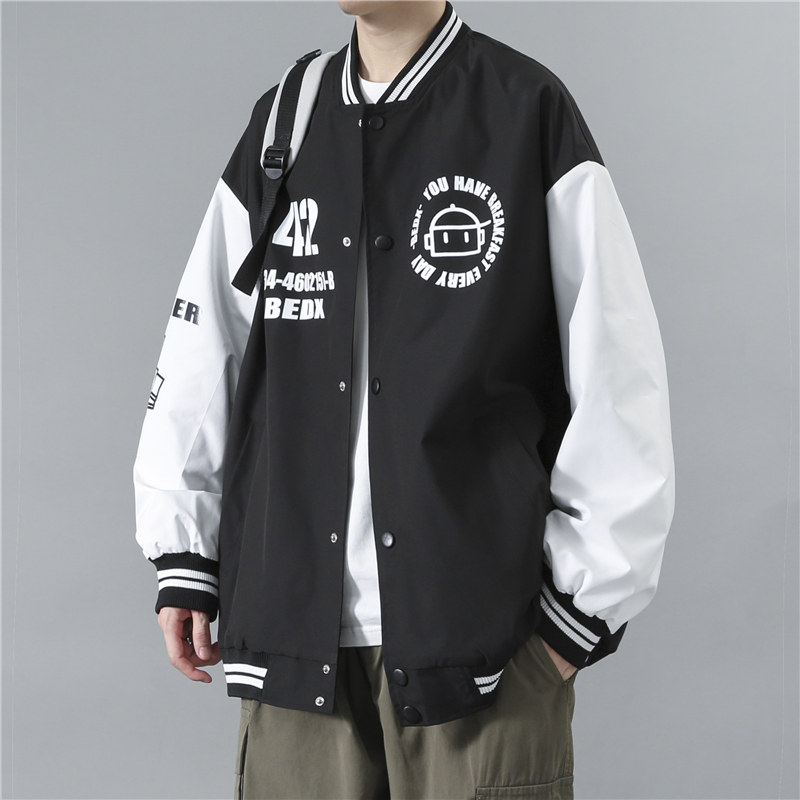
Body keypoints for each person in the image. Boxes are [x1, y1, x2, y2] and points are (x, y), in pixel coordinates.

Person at [133, 2, 675, 797]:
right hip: (294, 644)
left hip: (483, 653)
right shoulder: (285, 123)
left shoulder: (525, 109)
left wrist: (577, 618)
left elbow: (618, 369)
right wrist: (184, 552)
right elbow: (203, 340)